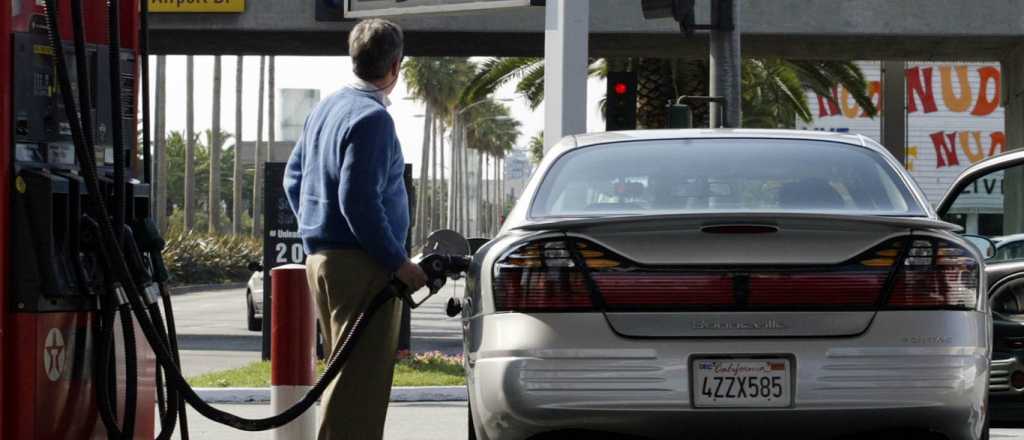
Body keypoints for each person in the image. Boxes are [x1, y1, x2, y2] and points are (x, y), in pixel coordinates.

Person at [283, 18, 428, 440]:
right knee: (359, 389)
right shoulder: (373, 120)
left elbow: (294, 178)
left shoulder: (327, 108)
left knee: (343, 378)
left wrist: (317, 226)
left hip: (324, 260)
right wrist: (396, 261)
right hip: (361, 267)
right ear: (396, 65)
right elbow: (360, 203)